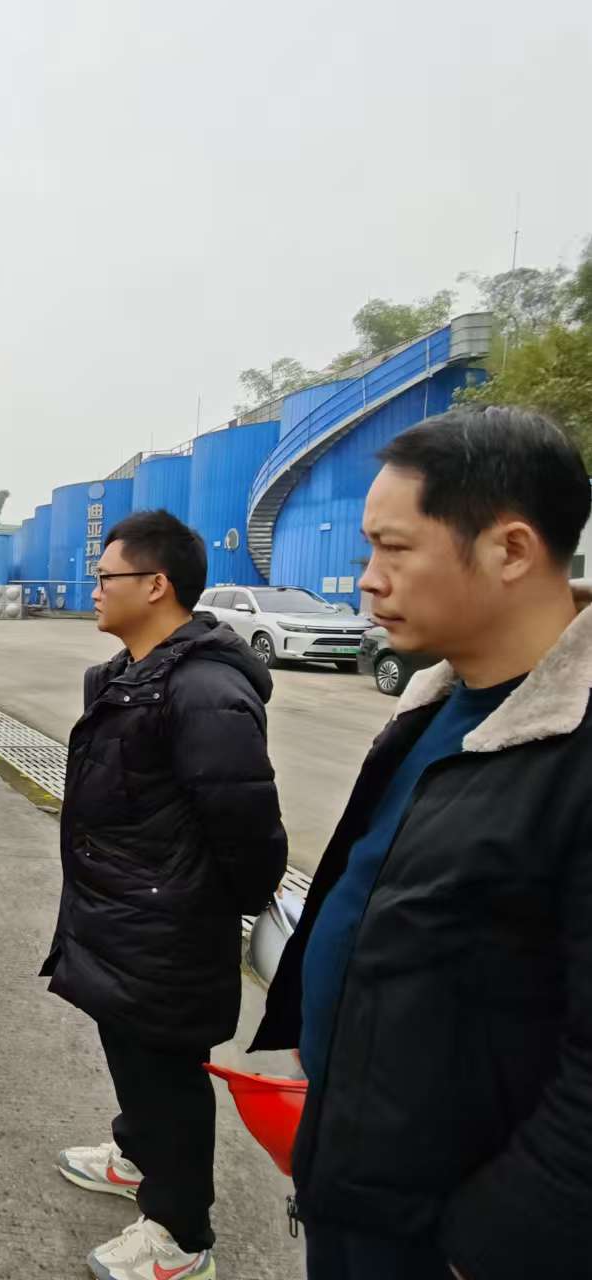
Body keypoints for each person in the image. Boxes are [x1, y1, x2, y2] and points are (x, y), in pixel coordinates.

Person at [252, 406, 592, 1280]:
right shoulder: (435, 709)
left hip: (457, 1239)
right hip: (360, 1186)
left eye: (393, 549)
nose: (368, 580)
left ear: (510, 550)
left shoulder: (573, 751)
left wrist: (490, 1248)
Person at [42, 509, 287, 1280]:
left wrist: (195, 902)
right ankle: (138, 1155)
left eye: (106, 577)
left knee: (168, 1074)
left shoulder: (205, 691)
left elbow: (249, 831)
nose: (94, 589)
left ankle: (181, 1236)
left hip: (167, 925)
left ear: (156, 585)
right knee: (131, 1054)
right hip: (121, 913)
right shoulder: (127, 675)